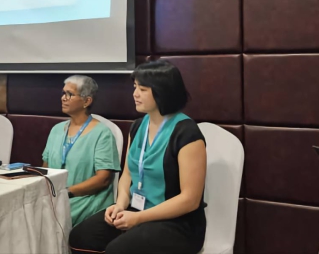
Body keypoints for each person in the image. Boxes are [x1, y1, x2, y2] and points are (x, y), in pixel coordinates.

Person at [69, 60, 207, 254]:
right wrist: (120, 205)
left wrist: (138, 219)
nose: (135, 94)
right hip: (136, 209)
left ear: (162, 92)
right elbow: (127, 175)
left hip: (178, 223)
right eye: (135, 87)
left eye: (142, 89)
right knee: (81, 237)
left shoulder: (186, 133)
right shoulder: (137, 126)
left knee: (120, 249)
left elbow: (190, 199)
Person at [42, 75, 121, 226]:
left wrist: (66, 192)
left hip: (86, 201)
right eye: (63, 93)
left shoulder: (102, 134)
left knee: (41, 222)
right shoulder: (56, 130)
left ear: (87, 101)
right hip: (55, 198)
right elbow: (45, 168)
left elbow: (103, 179)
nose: (63, 98)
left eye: (69, 94)